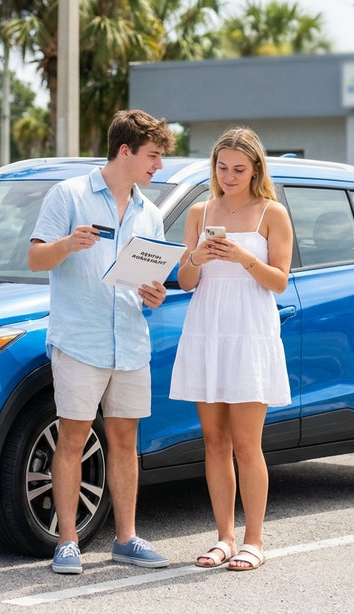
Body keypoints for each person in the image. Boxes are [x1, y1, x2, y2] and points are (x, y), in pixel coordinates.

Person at [28, 109, 176, 575]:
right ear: (125, 151)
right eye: (153, 156)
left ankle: (127, 538)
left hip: (130, 339)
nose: (159, 166)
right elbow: (35, 258)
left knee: (125, 441)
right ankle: (68, 541)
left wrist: (156, 294)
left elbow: (152, 280)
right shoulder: (67, 195)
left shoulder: (149, 212)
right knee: (72, 438)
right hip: (79, 339)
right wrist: (68, 244)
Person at [168, 127, 293, 572]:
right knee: (214, 442)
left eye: (239, 168)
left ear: (256, 167)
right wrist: (197, 258)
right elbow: (185, 282)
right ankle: (223, 537)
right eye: (222, 167)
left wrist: (243, 257)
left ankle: (254, 540)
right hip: (207, 330)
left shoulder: (272, 213)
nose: (230, 175)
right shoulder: (200, 212)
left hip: (249, 333)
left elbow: (279, 281)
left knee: (246, 443)